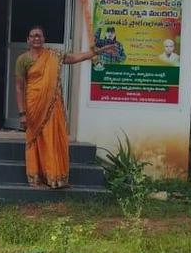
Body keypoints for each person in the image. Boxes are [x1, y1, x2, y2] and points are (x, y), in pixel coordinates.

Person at [14, 26, 118, 189]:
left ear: (43, 39)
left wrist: (98, 51)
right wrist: (22, 113)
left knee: (52, 138)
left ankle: (54, 177)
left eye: (39, 36)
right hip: (33, 105)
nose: (36, 38)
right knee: (35, 140)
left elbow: (75, 58)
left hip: (53, 106)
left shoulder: (53, 55)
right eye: (33, 36)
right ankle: (36, 177)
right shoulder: (23, 60)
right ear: (28, 39)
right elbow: (19, 87)